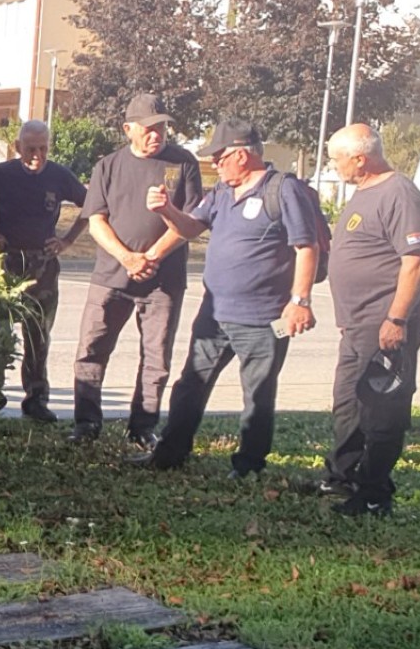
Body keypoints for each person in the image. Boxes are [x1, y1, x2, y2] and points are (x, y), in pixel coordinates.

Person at [134, 118, 318, 476]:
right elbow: (191, 228)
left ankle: (248, 467)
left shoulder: (283, 190)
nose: (215, 164)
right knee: (190, 385)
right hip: (215, 314)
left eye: (219, 158)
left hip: (264, 320)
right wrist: (166, 210)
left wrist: (300, 301)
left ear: (242, 155)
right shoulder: (220, 192)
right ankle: (170, 454)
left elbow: (306, 248)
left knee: (257, 395)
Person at [70, 93, 204, 449]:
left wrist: (153, 256)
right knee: (91, 350)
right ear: (128, 129)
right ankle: (86, 423)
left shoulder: (184, 163)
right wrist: (127, 258)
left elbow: (192, 221)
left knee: (156, 358)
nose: (156, 134)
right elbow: (95, 221)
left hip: (164, 281)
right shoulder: (108, 166)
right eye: (148, 128)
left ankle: (142, 426)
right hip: (111, 276)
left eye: (161, 127)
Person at [322, 123, 420, 517]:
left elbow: (416, 262)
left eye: (336, 159)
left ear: (360, 158)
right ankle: (342, 476)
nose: (333, 166)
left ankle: (373, 494)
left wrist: (396, 319)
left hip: (386, 322)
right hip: (357, 324)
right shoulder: (364, 192)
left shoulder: (399, 193)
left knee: (381, 410)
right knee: (347, 403)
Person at [0, 119, 88, 422]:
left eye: (43, 149)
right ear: (17, 147)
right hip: (6, 262)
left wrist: (68, 240)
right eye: (30, 149)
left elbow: (93, 205)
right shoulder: (2, 173)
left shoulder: (59, 175)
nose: (37, 156)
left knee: (38, 336)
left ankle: (36, 399)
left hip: (42, 264)